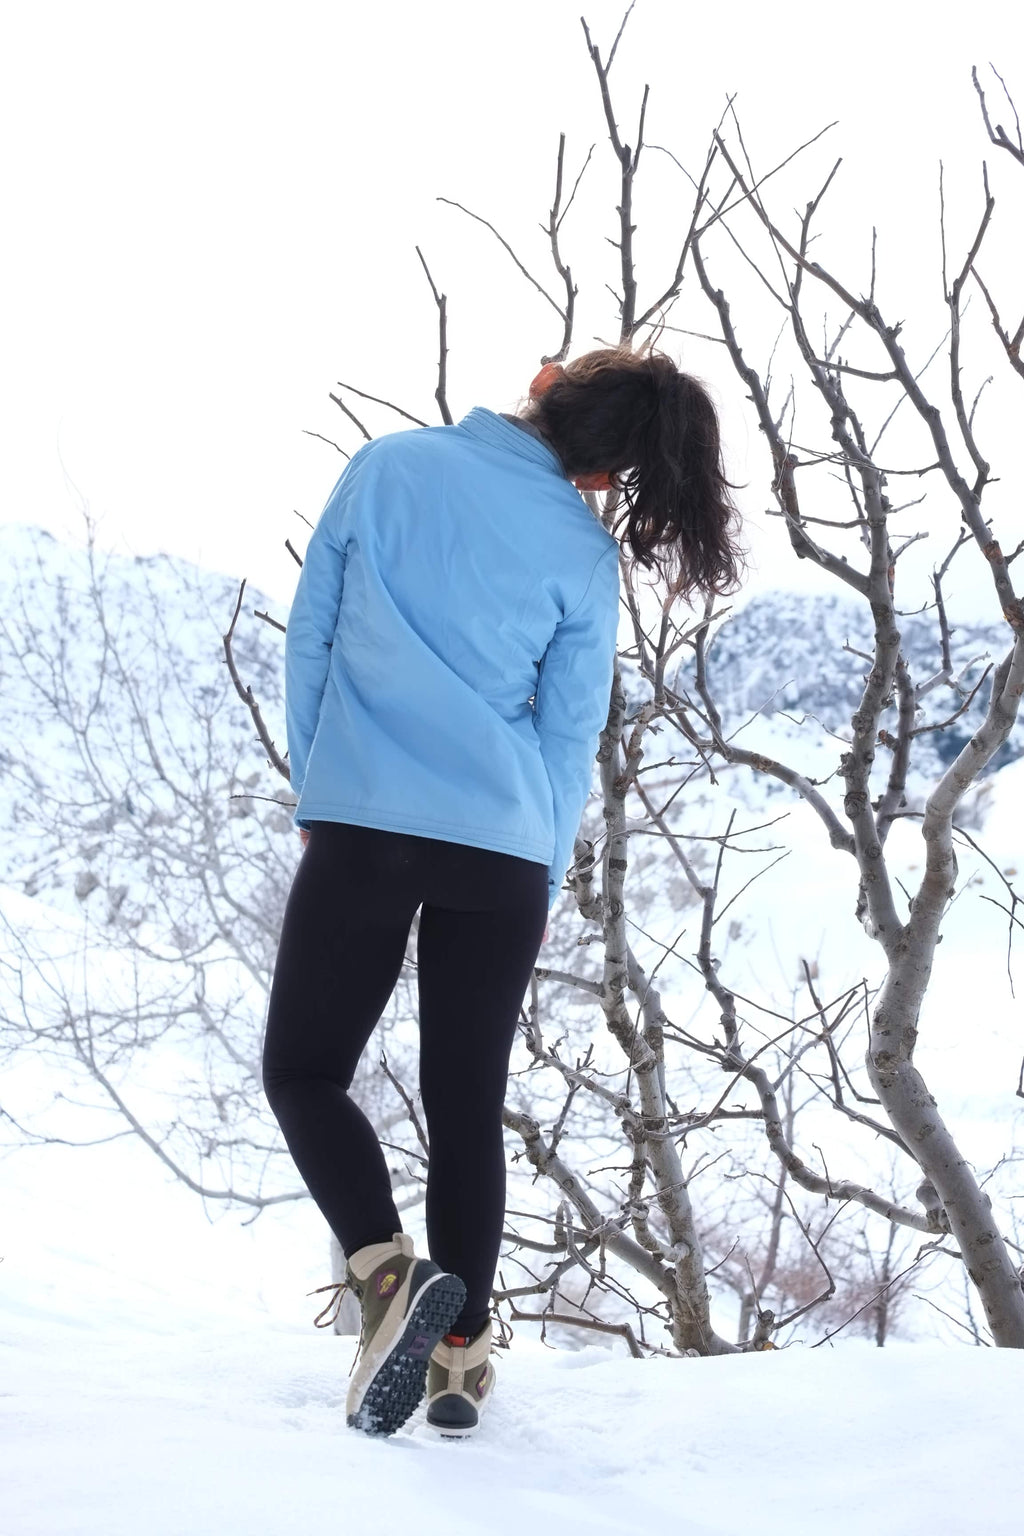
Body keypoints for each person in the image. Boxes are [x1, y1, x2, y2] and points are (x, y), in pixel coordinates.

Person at [262, 344, 741, 1438]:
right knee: (464, 1102)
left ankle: (387, 1279)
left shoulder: (390, 469)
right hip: (503, 849)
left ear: (547, 388)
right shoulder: (581, 551)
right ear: (609, 474)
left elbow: (312, 641)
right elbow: (570, 729)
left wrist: (326, 785)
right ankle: (459, 1359)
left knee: (303, 1069)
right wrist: (533, 847)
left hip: (367, 821)